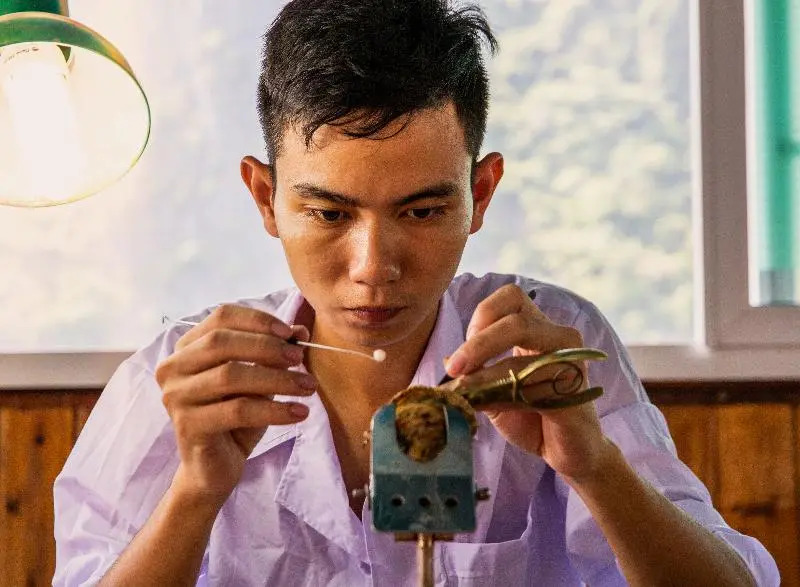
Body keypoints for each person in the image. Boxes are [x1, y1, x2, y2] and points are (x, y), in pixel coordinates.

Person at [53, 1, 779, 585]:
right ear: (266, 197)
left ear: (480, 193)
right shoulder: (179, 380)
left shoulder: (548, 343)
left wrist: (596, 467)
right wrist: (193, 493)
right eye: (329, 213)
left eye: (423, 211)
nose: (373, 267)